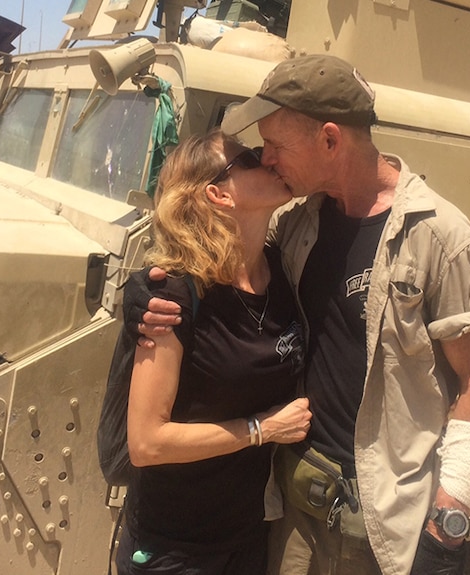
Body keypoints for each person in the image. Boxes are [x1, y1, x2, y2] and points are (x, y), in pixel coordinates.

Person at [128, 55, 470, 575]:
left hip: (378, 516)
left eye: (276, 146)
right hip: (291, 503)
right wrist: (145, 294)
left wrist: (449, 523)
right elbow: (219, 260)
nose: (267, 159)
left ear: (330, 140)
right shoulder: (299, 225)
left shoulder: (440, 239)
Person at [114, 129, 312, 575]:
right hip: (174, 549)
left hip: (246, 534)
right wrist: (261, 429)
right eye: (253, 158)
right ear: (218, 194)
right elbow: (146, 443)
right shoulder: (174, 296)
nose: (270, 161)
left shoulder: (281, 272)